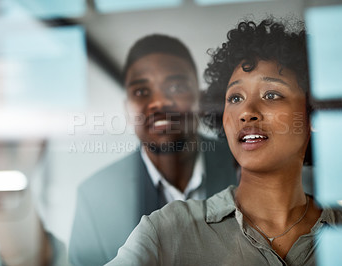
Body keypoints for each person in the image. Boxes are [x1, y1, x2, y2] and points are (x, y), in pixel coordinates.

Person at [105, 19, 342, 266]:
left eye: (271, 94)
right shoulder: (166, 231)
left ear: (314, 115)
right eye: (235, 98)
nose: (246, 111)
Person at [69, 34, 237, 266]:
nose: (159, 102)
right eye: (141, 92)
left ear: (199, 99)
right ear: (127, 109)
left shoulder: (244, 165)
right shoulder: (94, 197)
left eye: (176, 86)